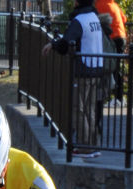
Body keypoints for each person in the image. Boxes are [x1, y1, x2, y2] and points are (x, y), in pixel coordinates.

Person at [42, 0, 106, 158]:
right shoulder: (94, 17)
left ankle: (84, 147)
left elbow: (66, 44)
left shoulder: (80, 20)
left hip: (83, 70)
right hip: (96, 68)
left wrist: (53, 45)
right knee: (90, 108)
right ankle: (92, 145)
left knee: (78, 108)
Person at [96, 0, 127, 105]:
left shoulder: (98, 4)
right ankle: (119, 97)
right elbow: (124, 19)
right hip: (121, 36)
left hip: (113, 38)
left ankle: (117, 98)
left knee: (111, 67)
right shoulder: (114, 4)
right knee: (116, 67)